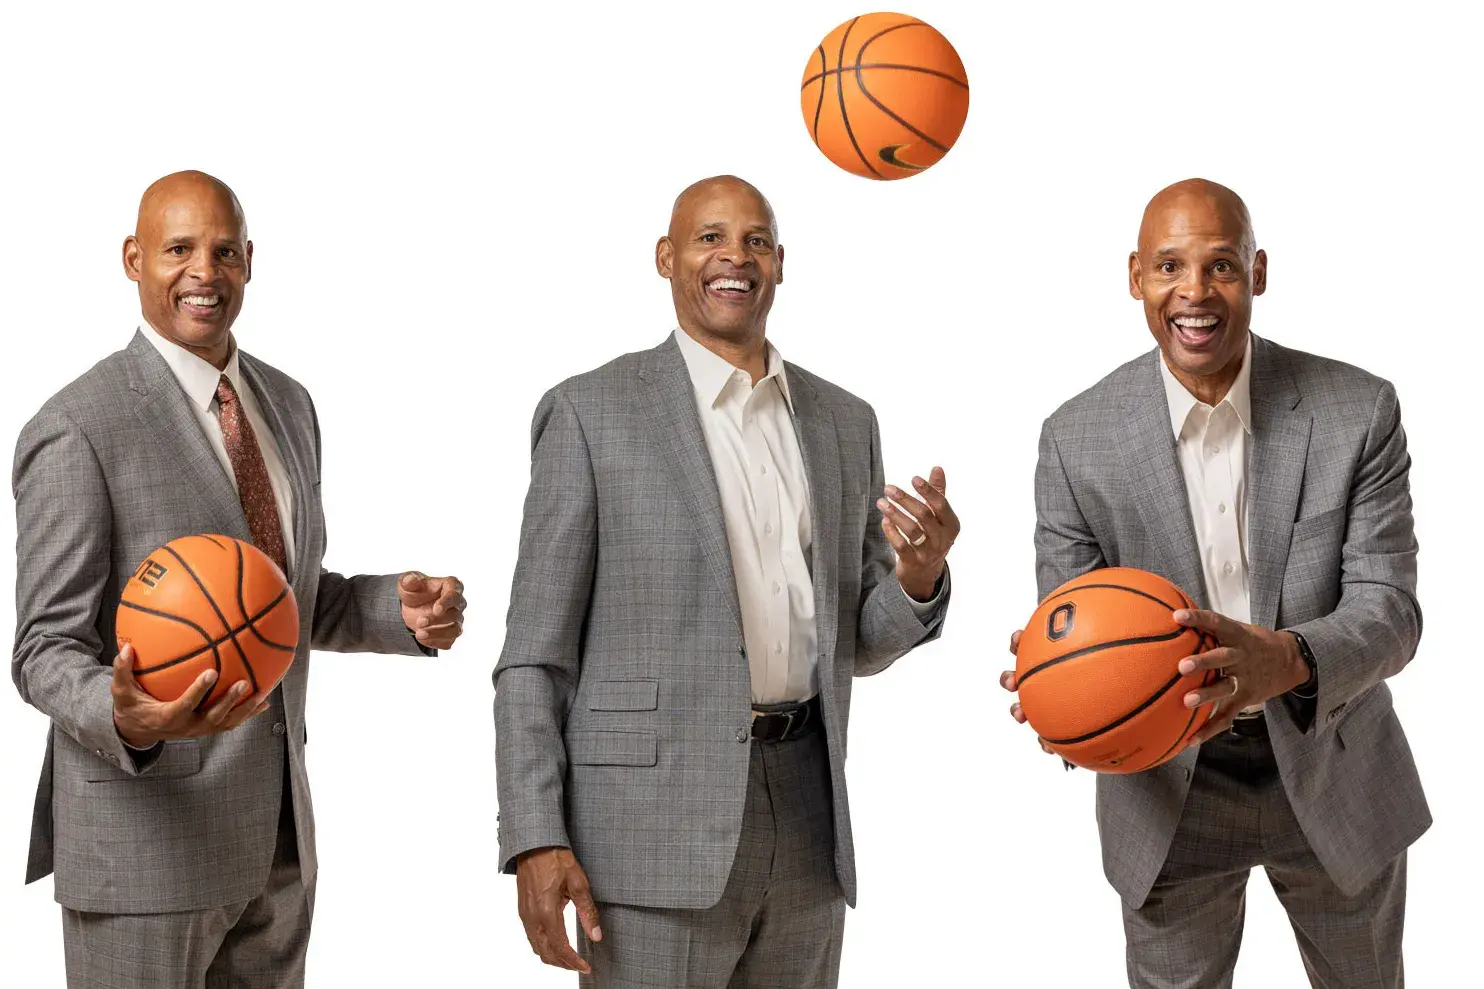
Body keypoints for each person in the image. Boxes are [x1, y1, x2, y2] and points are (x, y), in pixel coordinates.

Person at [494, 174, 957, 988]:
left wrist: (918, 576)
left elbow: (856, 642)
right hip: (645, 838)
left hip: (808, 817)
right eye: (710, 237)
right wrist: (536, 835)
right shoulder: (589, 413)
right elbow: (533, 656)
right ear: (667, 258)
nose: (733, 256)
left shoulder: (846, 420)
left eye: (754, 240)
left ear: (779, 262)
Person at [11, 170, 466, 988]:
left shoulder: (286, 403)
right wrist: (127, 715)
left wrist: (394, 610)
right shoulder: (77, 426)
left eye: (224, 251)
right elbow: (44, 649)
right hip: (144, 847)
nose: (204, 272)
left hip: (277, 841)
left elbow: (276, 599)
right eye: (179, 248)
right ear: (133, 259)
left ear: (250, 261)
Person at [1001, 178, 1427, 988]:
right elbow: (1067, 620)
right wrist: (1057, 698)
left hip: (1332, 757)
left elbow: (1391, 612)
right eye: (1169, 266)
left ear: (1258, 272)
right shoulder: (1074, 440)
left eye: (1221, 266)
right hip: (1167, 786)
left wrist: (1288, 657)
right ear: (1135, 277)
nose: (1194, 293)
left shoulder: (1357, 410)